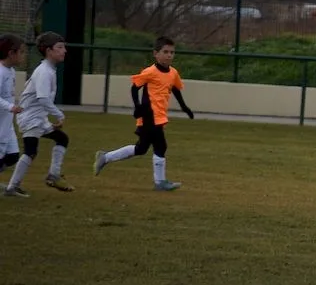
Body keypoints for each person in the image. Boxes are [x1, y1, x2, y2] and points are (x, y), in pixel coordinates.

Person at [93, 36, 194, 191]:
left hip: (159, 116)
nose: (169, 55)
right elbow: (135, 87)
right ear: (156, 53)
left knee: (141, 149)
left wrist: (184, 107)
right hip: (149, 114)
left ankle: (105, 157)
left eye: (172, 52)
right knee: (161, 145)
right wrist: (138, 106)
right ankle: (160, 182)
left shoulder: (173, 73)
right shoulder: (150, 72)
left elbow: (175, 89)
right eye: (165, 52)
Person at [4, 32, 72, 195]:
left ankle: (53, 175)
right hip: (30, 118)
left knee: (61, 138)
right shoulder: (44, 71)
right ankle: (12, 187)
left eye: (64, 47)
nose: (64, 51)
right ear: (49, 51)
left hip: (37, 118)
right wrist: (59, 114)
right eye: (60, 47)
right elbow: (42, 98)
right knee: (30, 151)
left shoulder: (48, 69)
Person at [0, 34, 25, 196]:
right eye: (21, 52)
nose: (23, 55)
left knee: (13, 156)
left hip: (7, 124)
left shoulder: (11, 71)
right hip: (1, 122)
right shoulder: (1, 72)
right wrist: (10, 106)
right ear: (11, 53)